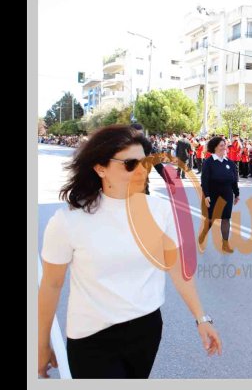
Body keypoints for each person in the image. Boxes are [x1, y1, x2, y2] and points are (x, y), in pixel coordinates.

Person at [38, 125, 221, 379]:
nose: (141, 171)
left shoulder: (160, 211)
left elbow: (178, 269)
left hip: (146, 330)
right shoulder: (68, 221)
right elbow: (51, 285)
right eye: (130, 164)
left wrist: (201, 318)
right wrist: (41, 344)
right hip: (92, 337)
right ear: (100, 168)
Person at [198, 136, 240, 254]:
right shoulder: (209, 162)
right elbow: (204, 180)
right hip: (212, 194)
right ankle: (203, 234)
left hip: (227, 194)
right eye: (221, 145)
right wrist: (206, 195)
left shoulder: (230, 163)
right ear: (215, 147)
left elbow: (234, 180)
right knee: (211, 219)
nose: (224, 147)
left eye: (224, 145)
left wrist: (236, 194)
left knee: (226, 218)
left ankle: (225, 244)